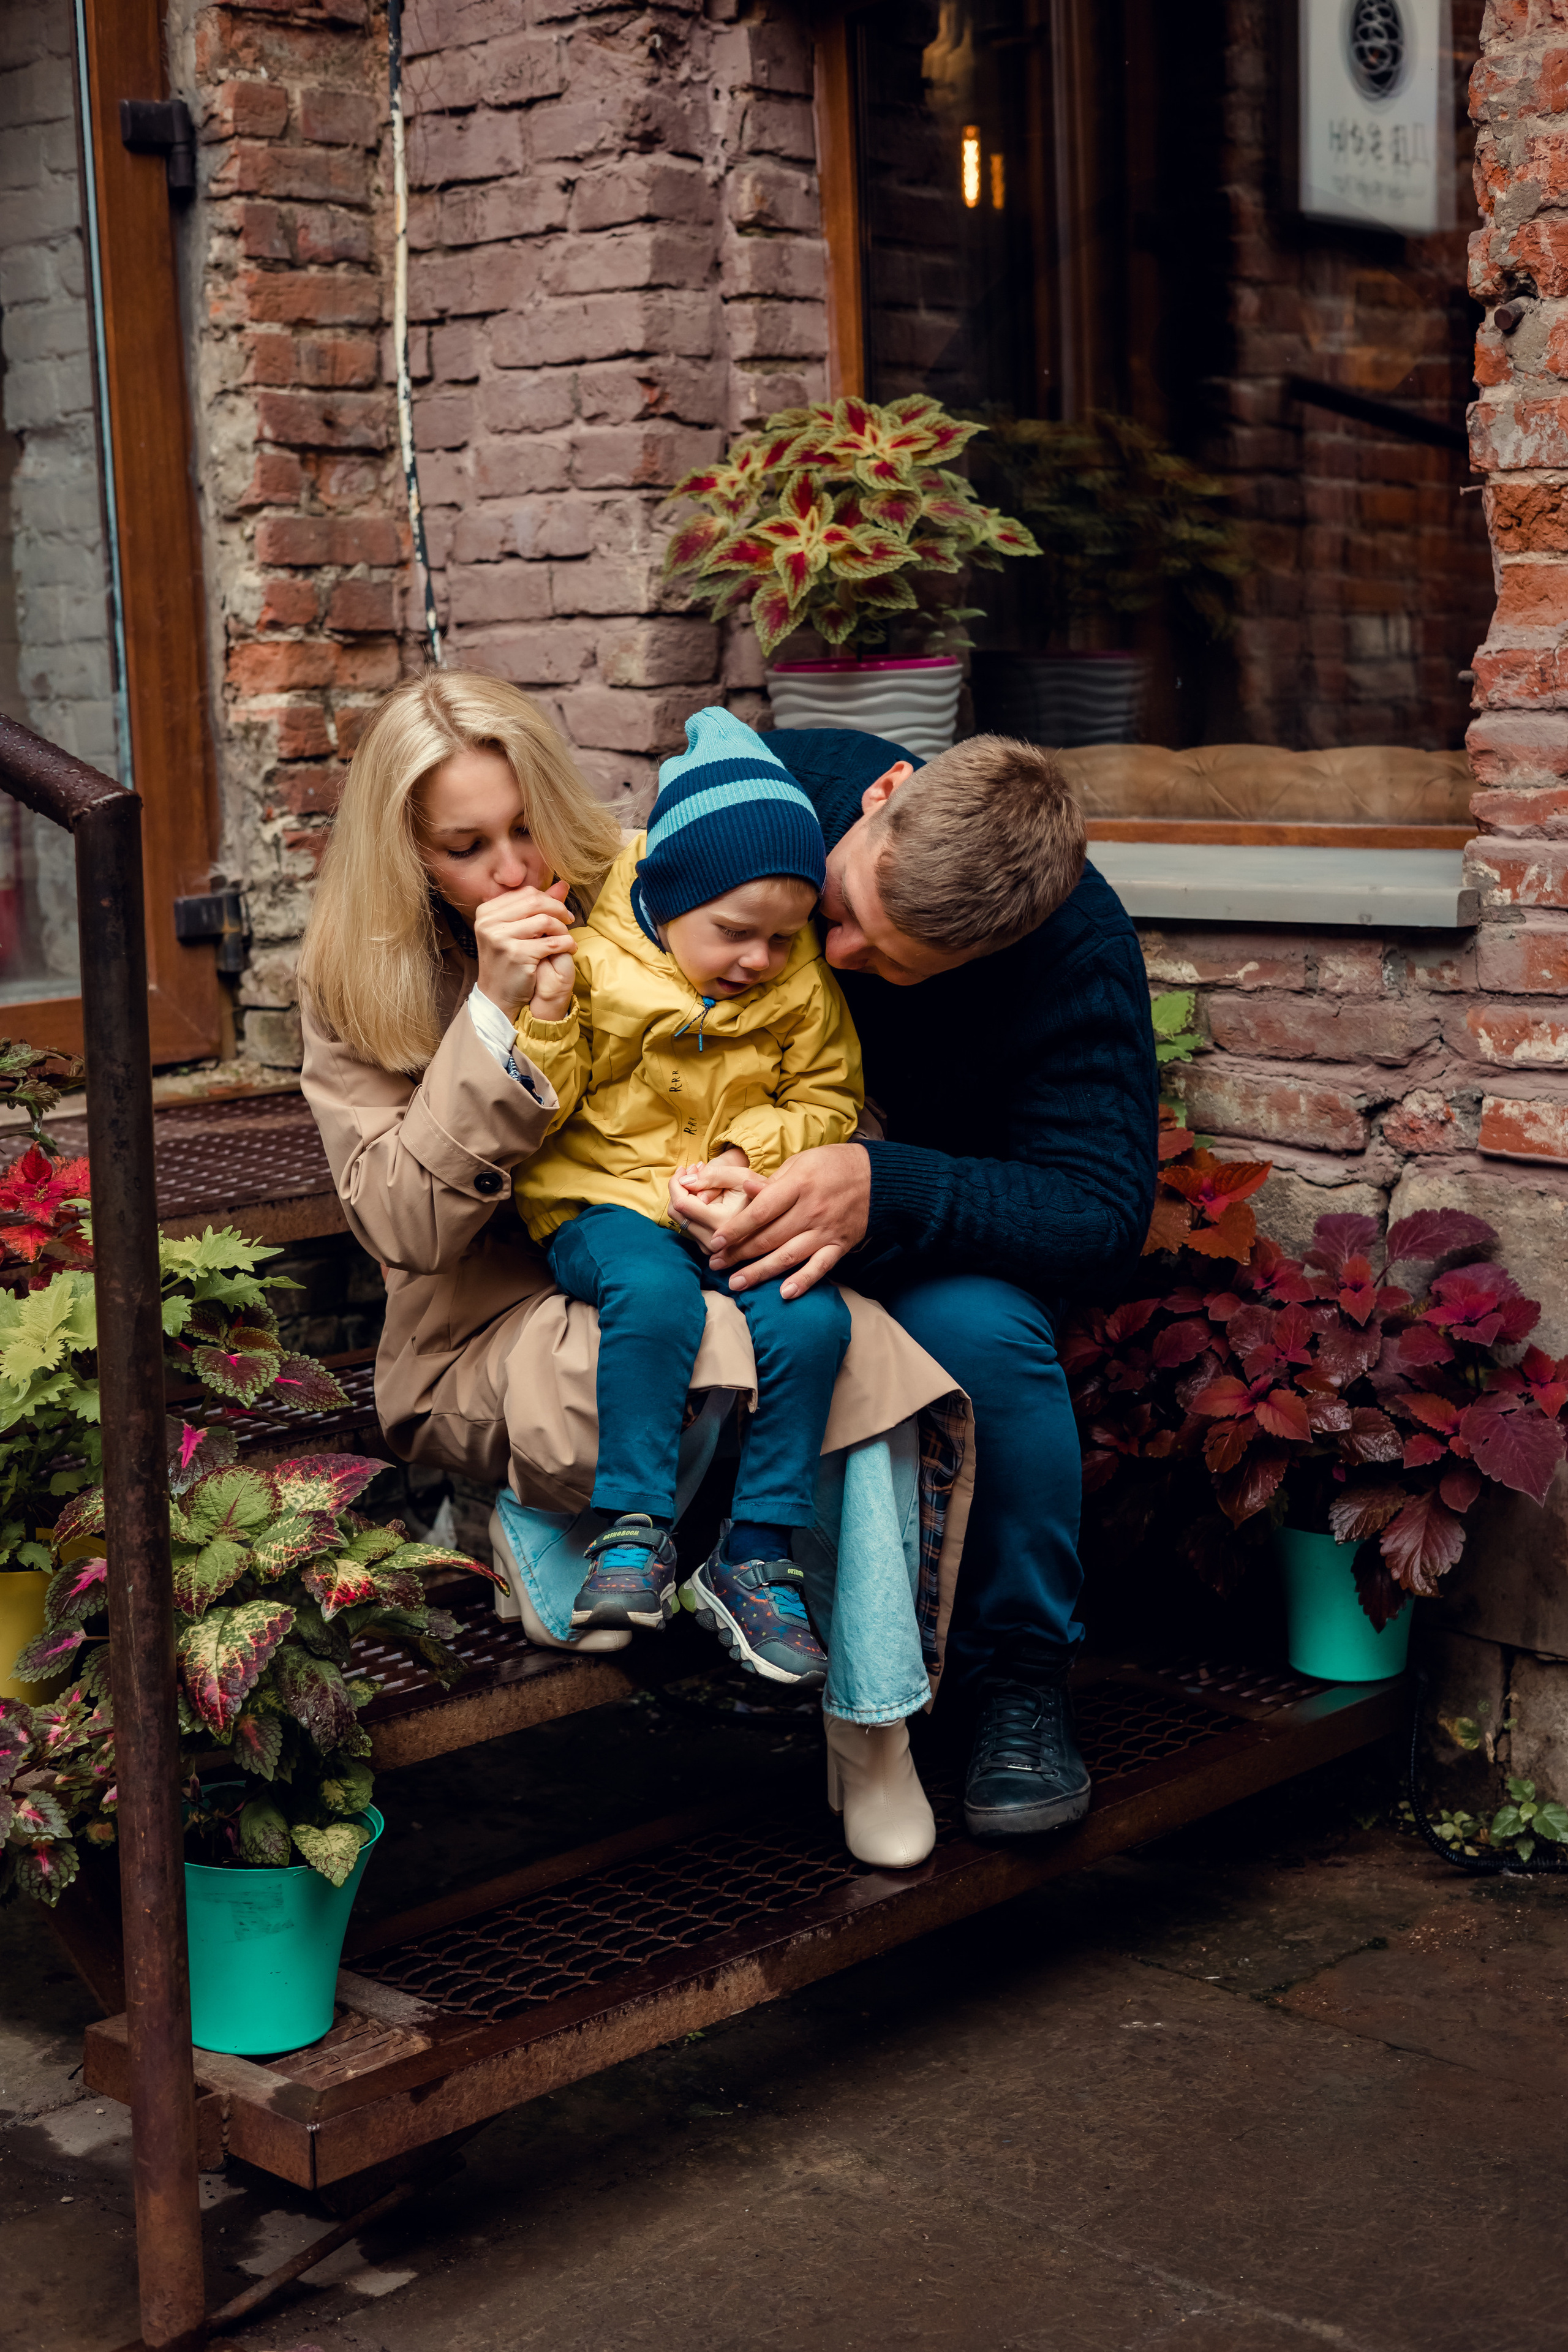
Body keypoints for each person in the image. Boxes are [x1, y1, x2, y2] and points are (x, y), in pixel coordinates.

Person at [296, 671, 961, 1873]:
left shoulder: (663, 889)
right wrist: (494, 1022)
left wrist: (752, 1172)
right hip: (497, 1317)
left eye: (525, 826)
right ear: (406, 855)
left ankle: (871, 1724)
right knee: (711, 1337)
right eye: (465, 846)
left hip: (681, 1257)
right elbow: (401, 1226)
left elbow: (814, 1079)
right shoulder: (360, 977)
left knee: (846, 1337)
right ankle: (566, 1534)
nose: (510, 868)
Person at [668, 727, 1159, 1840]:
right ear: (882, 794)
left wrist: (889, 1193)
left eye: (886, 964)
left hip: (926, 1244)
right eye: (839, 911)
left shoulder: (1076, 948)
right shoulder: (770, 790)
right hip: (695, 1180)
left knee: (988, 1340)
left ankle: (1019, 1683)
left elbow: (1099, 1215)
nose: (836, 955)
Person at [508, 707, 862, 1686]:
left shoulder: (795, 987)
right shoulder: (589, 962)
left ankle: (756, 1554)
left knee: (809, 1319)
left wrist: (753, 1158)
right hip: (600, 1201)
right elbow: (545, 1104)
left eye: (784, 938)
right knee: (655, 1299)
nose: (758, 959)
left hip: (740, 1204)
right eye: (733, 933)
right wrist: (543, 1016)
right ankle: (635, 1528)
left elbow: (829, 1096)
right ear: (668, 899)